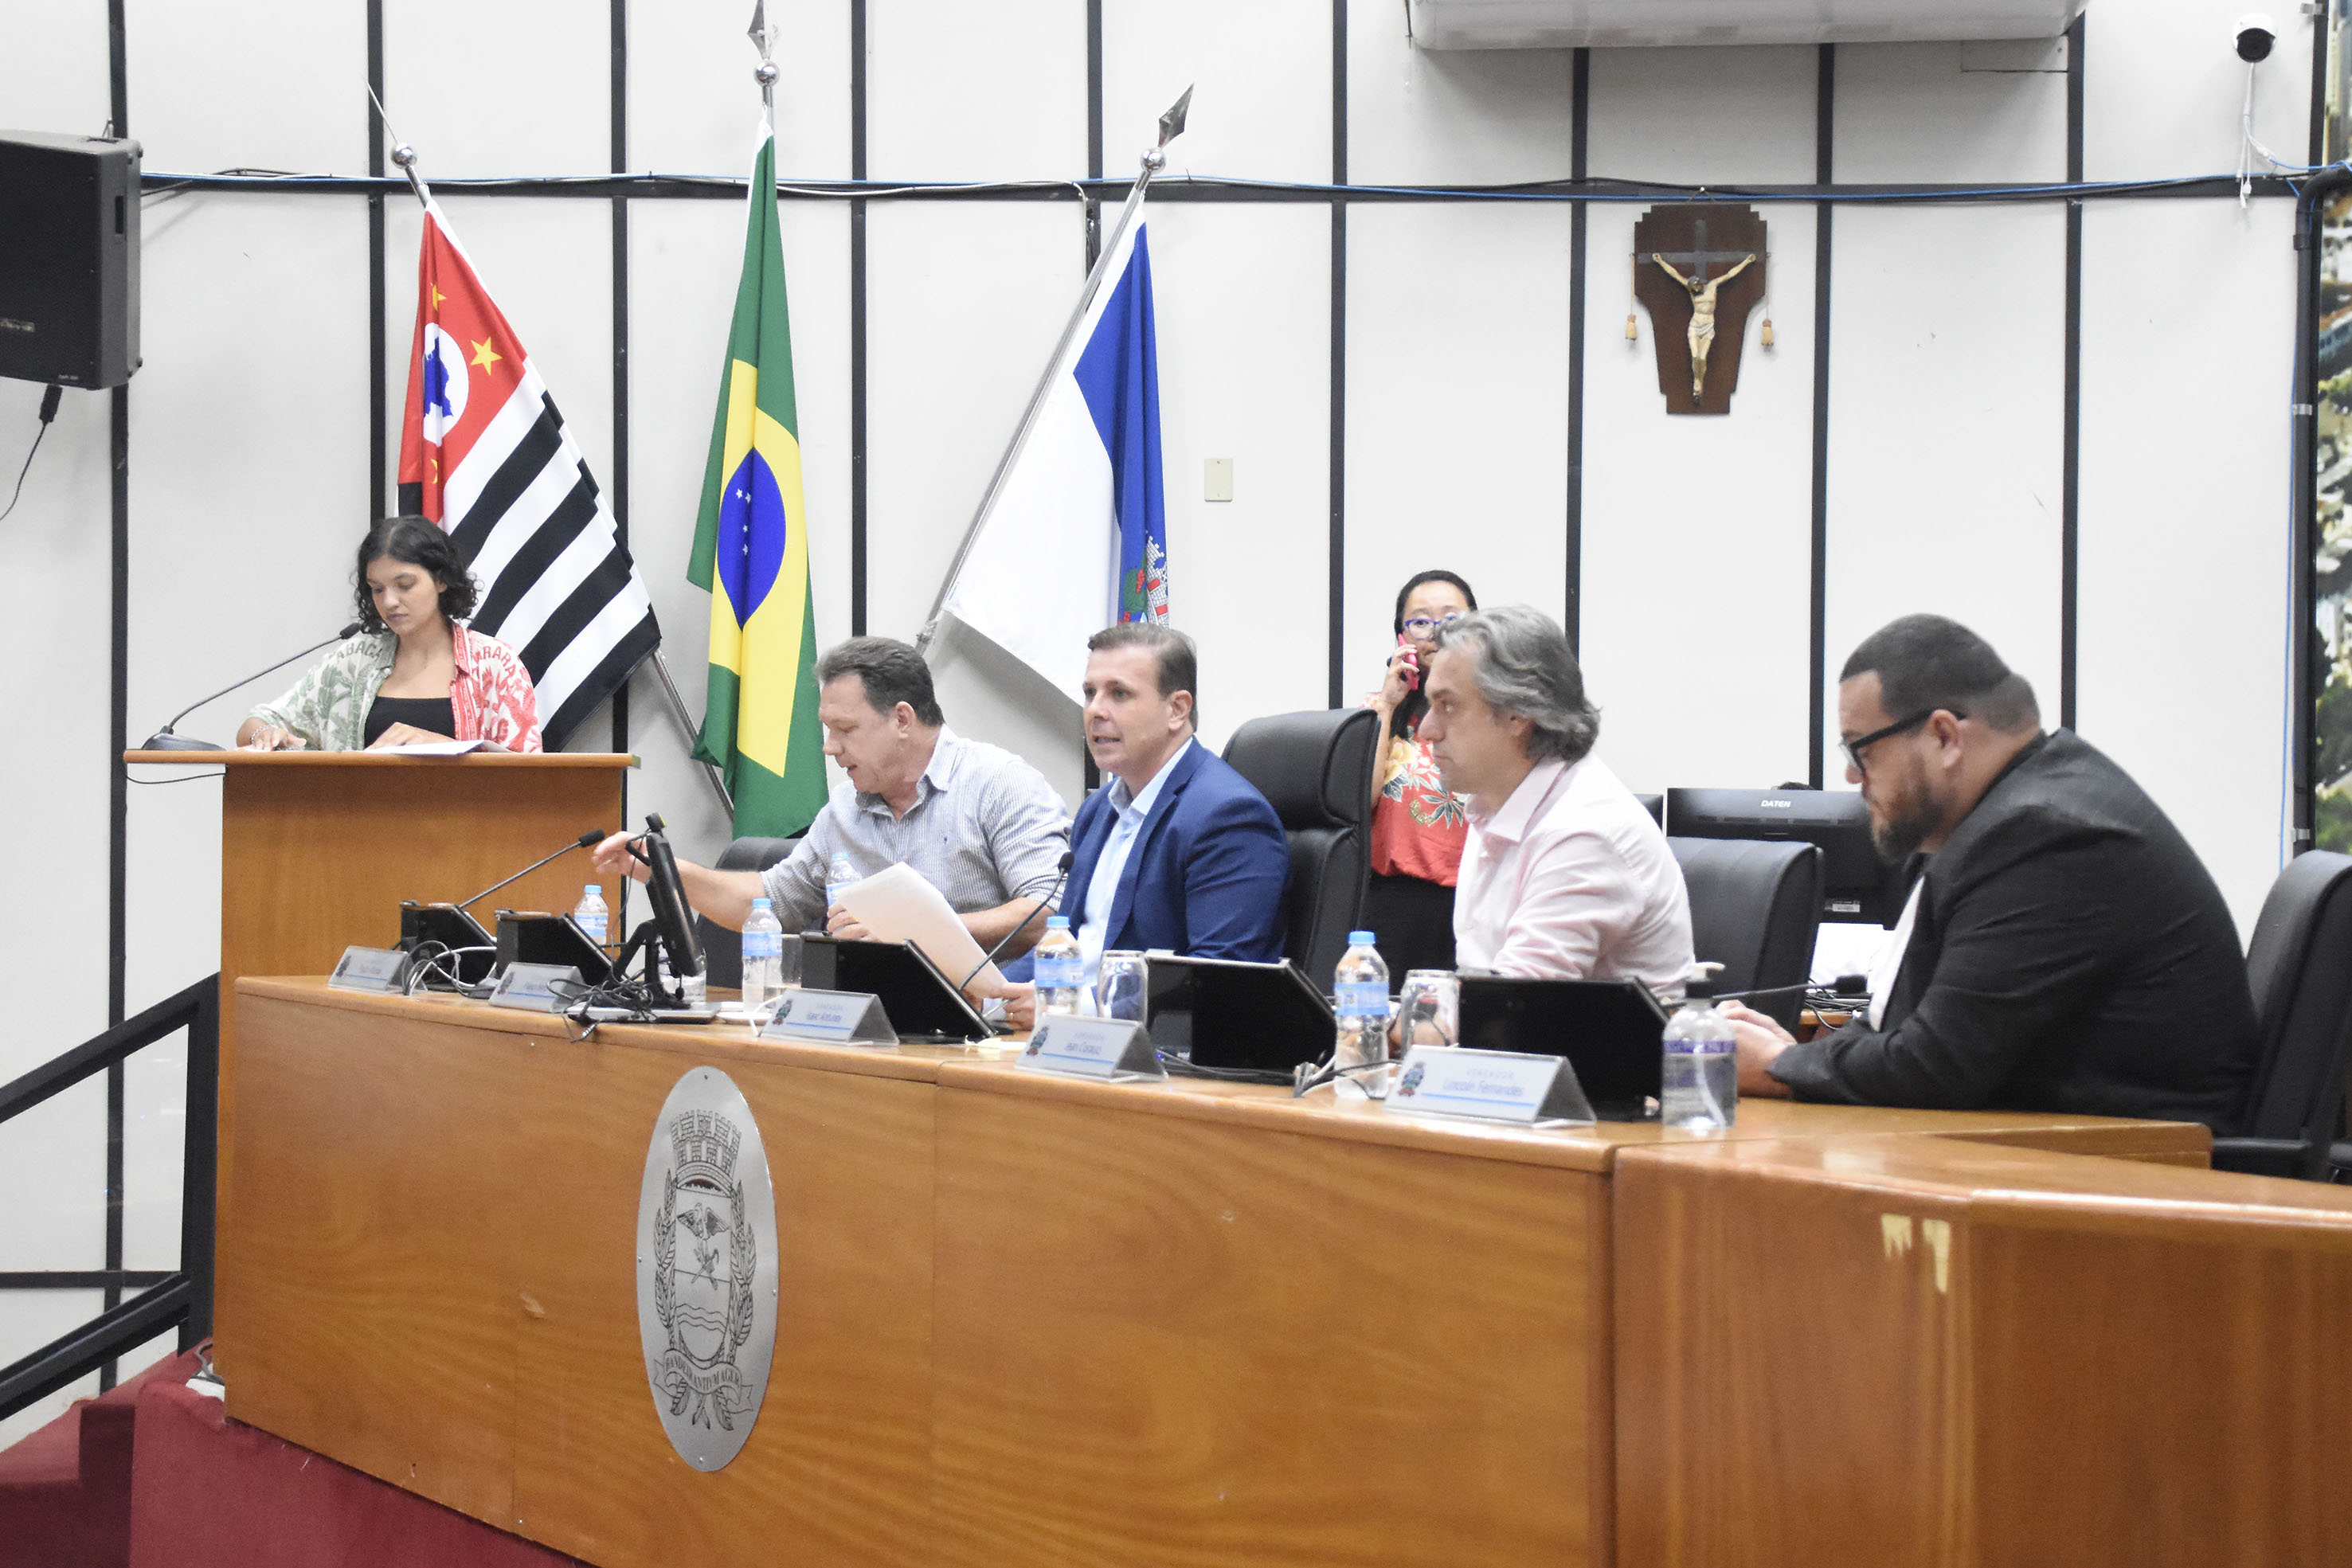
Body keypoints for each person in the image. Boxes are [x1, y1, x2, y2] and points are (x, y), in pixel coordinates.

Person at [1724, 614, 2259, 1132]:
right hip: (2058, 1147)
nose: (1851, 775)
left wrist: (1776, 1065)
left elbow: (1935, 1065)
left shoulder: (2046, 838)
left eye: (1861, 750)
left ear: (1943, 737)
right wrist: (1791, 1059)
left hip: (2141, 1169)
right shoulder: (2006, 817)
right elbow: (1901, 1027)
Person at [592, 636, 1069, 969]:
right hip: (866, 1017)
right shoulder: (845, 809)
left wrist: (914, 934)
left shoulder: (1001, 785)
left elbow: (1044, 914)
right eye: (827, 729)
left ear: (902, 719)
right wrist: (663, 868)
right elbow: (771, 903)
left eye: (845, 730)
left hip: (985, 1026)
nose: (829, 747)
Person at [1419, 605, 1692, 993]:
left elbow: (1511, 1010)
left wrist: (1390, 1023)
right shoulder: (1495, 804)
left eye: (1448, 705)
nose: (1427, 730)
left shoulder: (1583, 831)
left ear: (1517, 714)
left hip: (1593, 1053)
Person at [1061, 623, 1289, 984]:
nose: (1094, 711)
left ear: (1177, 710)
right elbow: (1066, 944)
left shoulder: (1229, 818)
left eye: (1119, 694)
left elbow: (1214, 979)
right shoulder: (1098, 809)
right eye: (1090, 693)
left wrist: (1072, 1004)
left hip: (1156, 1038)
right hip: (1072, 1028)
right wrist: (990, 995)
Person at [237, 516, 542, 753]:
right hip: (358, 828)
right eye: (377, 589)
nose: (389, 602)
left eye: (405, 585)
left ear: (441, 580)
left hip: (466, 830)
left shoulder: (494, 664)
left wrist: (448, 750)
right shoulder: (353, 661)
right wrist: (262, 735)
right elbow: (254, 724)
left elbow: (530, 775)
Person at [1361, 569, 1477, 976]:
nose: (1437, 632)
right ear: (1402, 636)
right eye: (1421, 621)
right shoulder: (1380, 711)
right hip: (1395, 902)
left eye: (1452, 619)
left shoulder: (1498, 712)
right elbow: (1362, 800)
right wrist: (1388, 704)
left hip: (1474, 895)